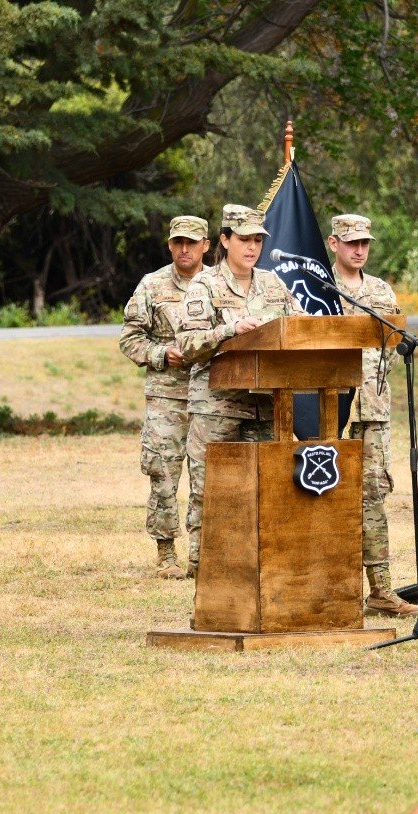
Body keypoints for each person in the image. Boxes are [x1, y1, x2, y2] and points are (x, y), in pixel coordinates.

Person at [168, 204, 305, 580]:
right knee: (210, 490)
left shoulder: (273, 284)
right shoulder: (205, 284)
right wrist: (230, 330)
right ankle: (203, 569)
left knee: (268, 488)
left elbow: (299, 329)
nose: (252, 247)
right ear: (225, 240)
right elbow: (189, 343)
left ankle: (260, 566)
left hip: (266, 406)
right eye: (244, 239)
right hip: (217, 407)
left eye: (258, 239)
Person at [328, 214, 418, 618]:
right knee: (324, 493)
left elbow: (395, 345)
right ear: (334, 244)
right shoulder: (317, 290)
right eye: (351, 243)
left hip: (373, 411)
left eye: (364, 243)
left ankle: (380, 589)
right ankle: (330, 586)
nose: (359, 250)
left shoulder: (382, 291)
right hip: (330, 408)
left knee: (373, 498)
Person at [119, 215, 211, 579]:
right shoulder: (152, 285)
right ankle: (166, 553)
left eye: (191, 242)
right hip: (167, 397)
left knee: (210, 477)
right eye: (178, 243)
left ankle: (204, 553)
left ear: (206, 244)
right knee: (163, 474)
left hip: (212, 395)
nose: (184, 249)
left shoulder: (219, 284)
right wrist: (161, 354)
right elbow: (129, 337)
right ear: (170, 245)